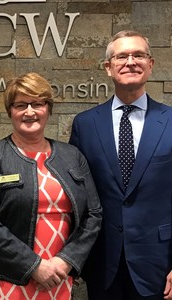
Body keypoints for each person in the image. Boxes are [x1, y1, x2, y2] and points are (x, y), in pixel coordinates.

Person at [0, 72, 102, 300]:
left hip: (58, 276)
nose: (29, 112)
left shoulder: (72, 156)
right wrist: (34, 266)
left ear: (48, 108)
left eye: (37, 103)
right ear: (10, 111)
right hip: (3, 279)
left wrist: (66, 261)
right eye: (21, 105)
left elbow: (94, 214)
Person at [69, 30, 172, 300]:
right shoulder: (85, 124)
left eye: (138, 55)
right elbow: (77, 195)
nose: (130, 62)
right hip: (102, 263)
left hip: (159, 265)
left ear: (150, 63)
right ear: (108, 67)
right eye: (122, 56)